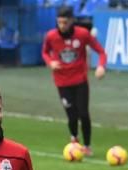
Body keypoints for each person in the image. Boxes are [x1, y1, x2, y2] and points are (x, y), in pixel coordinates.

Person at [42, 5, 107, 156]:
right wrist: (50, 62)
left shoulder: (82, 34)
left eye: (65, 22)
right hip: (62, 82)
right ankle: (74, 140)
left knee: (83, 113)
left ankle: (87, 146)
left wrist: (101, 66)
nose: (62, 26)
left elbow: (101, 51)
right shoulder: (51, 36)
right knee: (71, 114)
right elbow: (45, 52)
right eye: (59, 22)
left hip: (80, 80)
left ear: (72, 21)